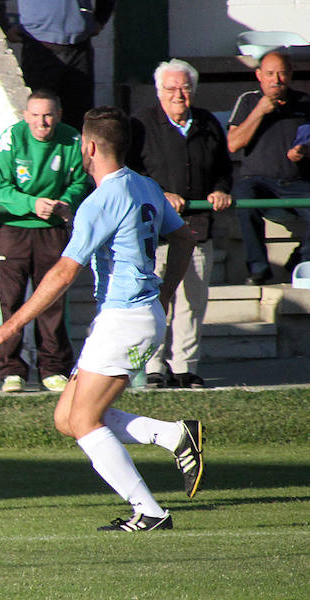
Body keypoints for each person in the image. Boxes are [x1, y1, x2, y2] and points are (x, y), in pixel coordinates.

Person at [0, 107, 204, 532]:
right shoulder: (145, 185)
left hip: (125, 319)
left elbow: (65, 272)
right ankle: (174, 436)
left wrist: (11, 326)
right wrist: (166, 290)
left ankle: (151, 512)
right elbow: (182, 236)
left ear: (89, 147)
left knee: (84, 420)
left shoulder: (100, 200)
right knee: (67, 418)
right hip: (133, 315)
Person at [130, 59, 233, 389]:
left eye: (185, 88)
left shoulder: (207, 123)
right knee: (157, 302)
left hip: (197, 229)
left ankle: (184, 367)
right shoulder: (141, 125)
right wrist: (160, 194)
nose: (179, 95)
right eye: (171, 88)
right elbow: (129, 174)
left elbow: (223, 168)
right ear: (159, 91)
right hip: (156, 232)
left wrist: (220, 189)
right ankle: (155, 366)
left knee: (192, 302)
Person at [0, 89, 88, 393]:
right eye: (35, 115)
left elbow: (81, 180)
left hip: (52, 230)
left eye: (48, 115)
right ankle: (11, 371)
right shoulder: (11, 138)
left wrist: (63, 203)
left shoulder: (72, 139)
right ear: (25, 115)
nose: (42, 122)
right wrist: (31, 203)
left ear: (58, 115)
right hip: (12, 228)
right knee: (11, 302)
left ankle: (54, 369)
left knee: (52, 301)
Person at [227, 50, 310, 285]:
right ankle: (259, 270)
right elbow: (233, 144)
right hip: (257, 180)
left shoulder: (305, 103)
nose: (276, 80)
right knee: (245, 203)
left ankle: (301, 261)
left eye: (282, 74)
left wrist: (304, 152)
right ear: (259, 76)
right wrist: (260, 111)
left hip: (297, 182)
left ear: (291, 75)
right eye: (270, 74)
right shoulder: (249, 101)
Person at [7, 0, 116, 131]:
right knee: (40, 118)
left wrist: (100, 18)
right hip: (39, 46)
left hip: (78, 46)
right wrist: (4, 25)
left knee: (79, 120)